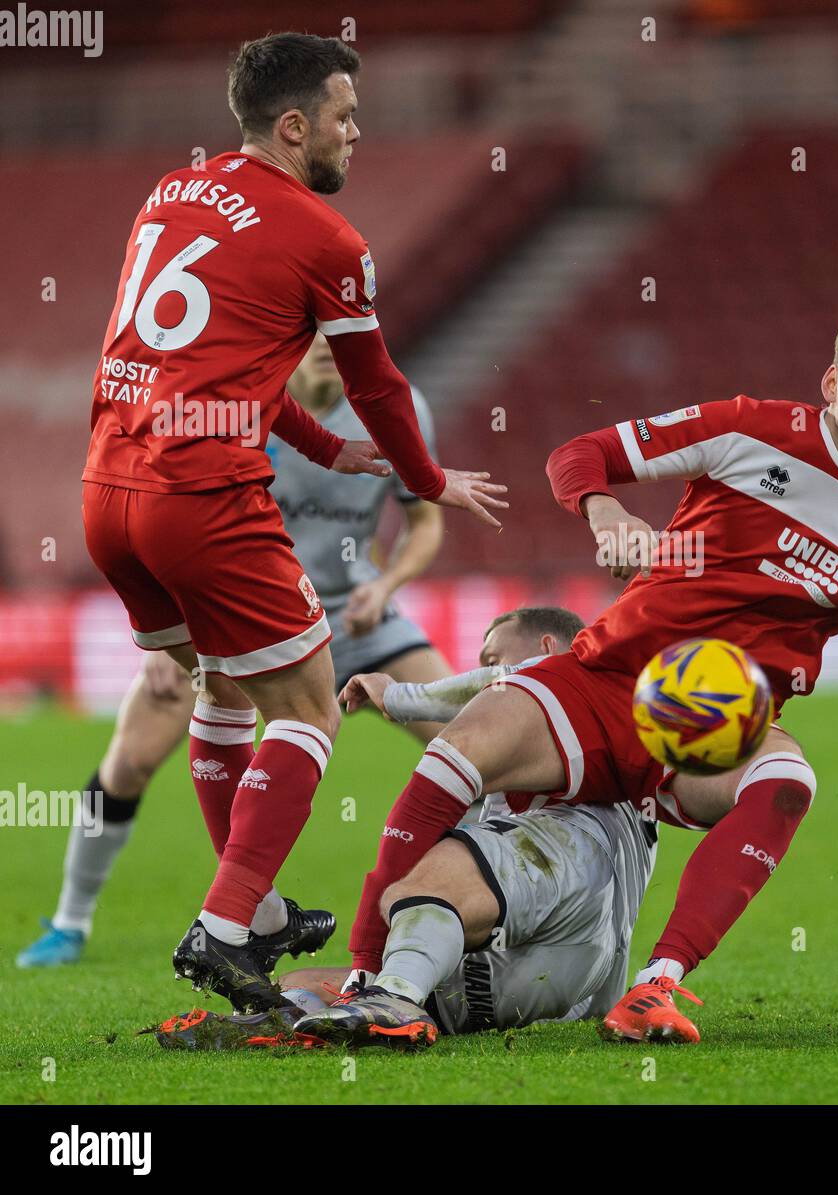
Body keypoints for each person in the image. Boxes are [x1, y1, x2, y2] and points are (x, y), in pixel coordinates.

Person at [309, 302, 838, 1048]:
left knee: (788, 776)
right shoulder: (749, 431)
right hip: (609, 678)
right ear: (832, 381)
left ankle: (655, 986)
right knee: (459, 751)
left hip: (712, 730)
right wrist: (607, 509)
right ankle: (367, 977)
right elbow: (581, 453)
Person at [79, 32, 506, 1011]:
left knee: (226, 693)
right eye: (347, 116)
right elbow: (383, 386)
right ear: (294, 124)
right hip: (204, 498)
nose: (358, 134)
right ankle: (224, 931)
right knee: (309, 708)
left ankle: (261, 910)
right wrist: (423, 476)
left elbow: (211, 365)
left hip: (111, 493)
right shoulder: (327, 239)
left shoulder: (170, 193)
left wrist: (321, 451)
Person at [20, 337, 454, 969]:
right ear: (291, 343)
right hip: (235, 616)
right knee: (129, 760)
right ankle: (70, 921)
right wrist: (170, 637)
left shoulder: (398, 408)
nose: (335, 347)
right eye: (319, 335)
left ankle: (482, 907)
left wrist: (385, 586)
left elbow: (426, 521)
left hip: (357, 617)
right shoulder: (238, 403)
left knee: (469, 744)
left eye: (347, 334)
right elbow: (172, 519)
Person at [152, 606, 658, 1049]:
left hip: (561, 883)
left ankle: (390, 1000)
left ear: (547, 646)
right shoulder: (620, 757)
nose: (484, 669)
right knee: (300, 983)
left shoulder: (570, 681)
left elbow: (519, 678)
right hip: (554, 976)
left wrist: (401, 697)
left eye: (490, 655)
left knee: (429, 879)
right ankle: (302, 1019)